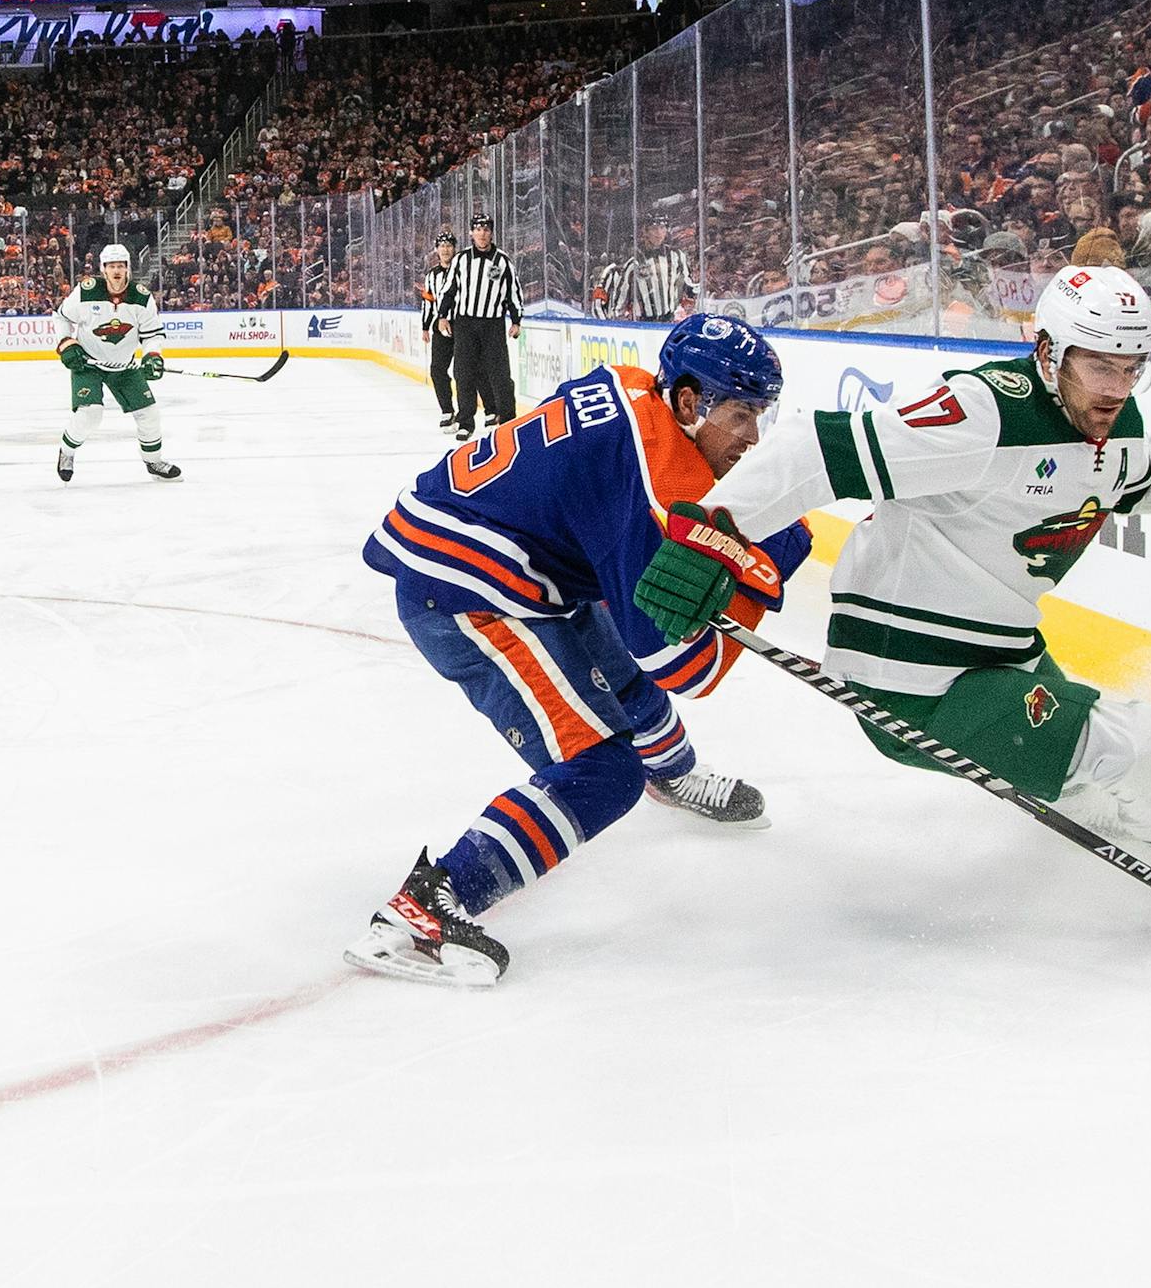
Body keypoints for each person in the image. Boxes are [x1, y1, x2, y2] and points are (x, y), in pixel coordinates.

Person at [632, 266, 1151, 935]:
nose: (1115, 387)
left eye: (1130, 367)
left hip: (1004, 654)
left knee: (1102, 777)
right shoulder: (983, 411)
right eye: (1096, 365)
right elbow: (812, 448)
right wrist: (713, 535)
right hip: (911, 681)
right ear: (1048, 354)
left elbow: (1141, 472)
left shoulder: (1115, 426)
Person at [347, 315, 811, 986]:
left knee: (618, 670)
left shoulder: (635, 391)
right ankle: (420, 913)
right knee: (604, 770)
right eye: (740, 414)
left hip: (497, 557)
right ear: (688, 401)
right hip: (467, 591)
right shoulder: (655, 481)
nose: (751, 437)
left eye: (759, 415)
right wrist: (767, 567)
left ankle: (671, 772)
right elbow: (682, 665)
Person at [54, 244, 179, 484]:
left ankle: (154, 461)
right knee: (91, 414)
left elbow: (152, 334)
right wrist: (67, 342)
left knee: (149, 414)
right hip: (88, 364)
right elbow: (61, 317)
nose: (117, 270)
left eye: (121, 265)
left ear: (128, 269)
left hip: (125, 367)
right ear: (103, 270)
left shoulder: (141, 297)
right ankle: (66, 453)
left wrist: (153, 355)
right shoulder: (86, 291)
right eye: (112, 266)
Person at [435, 212, 521, 438]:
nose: (482, 234)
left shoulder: (502, 260)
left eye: (486, 229)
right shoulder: (461, 260)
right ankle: (466, 422)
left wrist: (516, 320)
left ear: (491, 233)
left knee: (500, 373)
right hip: (465, 323)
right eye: (478, 229)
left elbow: (513, 292)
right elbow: (449, 289)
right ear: (471, 233)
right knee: (464, 373)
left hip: (492, 323)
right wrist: (442, 315)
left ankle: (508, 419)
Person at [419, 231, 457, 432]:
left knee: (466, 370)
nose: (445, 249)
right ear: (436, 250)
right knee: (437, 370)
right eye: (442, 246)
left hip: (461, 326)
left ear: (454, 248)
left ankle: (480, 410)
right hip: (439, 329)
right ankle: (447, 410)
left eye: (449, 246)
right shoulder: (431, 275)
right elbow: (428, 302)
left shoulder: (462, 271)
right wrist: (425, 326)